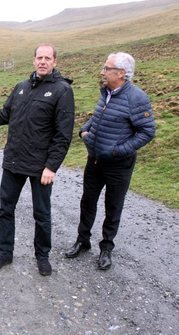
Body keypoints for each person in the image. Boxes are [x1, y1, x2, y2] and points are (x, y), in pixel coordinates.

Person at [0, 43, 75, 276]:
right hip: (13, 161)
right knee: (5, 210)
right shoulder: (21, 87)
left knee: (41, 214)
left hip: (40, 167)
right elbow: (5, 114)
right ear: (33, 61)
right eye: (39, 57)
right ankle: (4, 254)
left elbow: (63, 134)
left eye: (47, 58)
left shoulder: (62, 90)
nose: (43, 61)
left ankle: (42, 256)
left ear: (55, 62)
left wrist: (51, 166)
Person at [65, 52, 155, 270]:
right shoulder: (106, 92)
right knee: (88, 202)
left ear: (121, 73)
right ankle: (82, 241)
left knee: (113, 206)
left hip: (118, 165)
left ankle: (106, 248)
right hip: (94, 161)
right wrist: (84, 131)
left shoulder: (137, 98)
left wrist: (118, 151)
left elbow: (147, 132)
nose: (102, 72)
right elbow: (98, 116)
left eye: (107, 68)